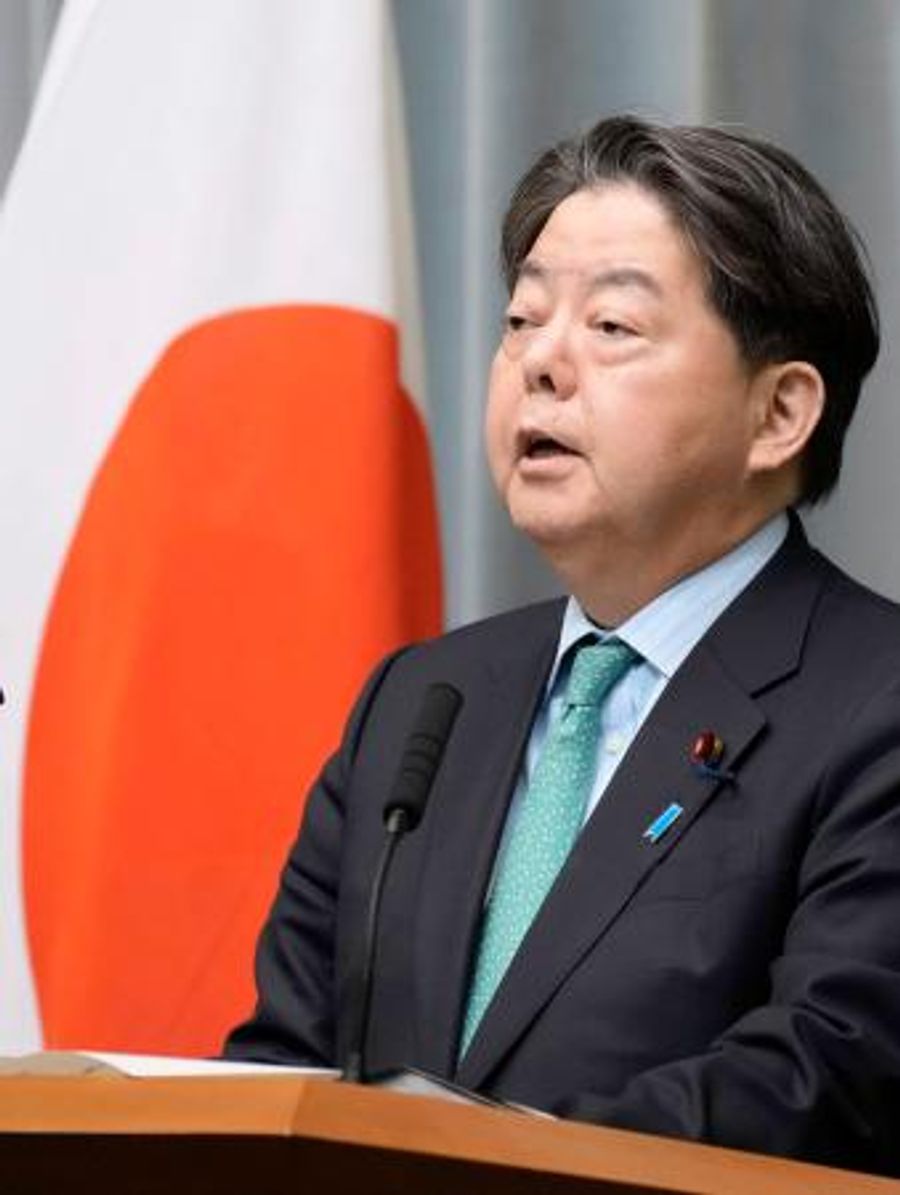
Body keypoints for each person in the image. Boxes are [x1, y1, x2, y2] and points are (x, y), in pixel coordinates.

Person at [225, 115, 900, 1176]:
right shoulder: (423, 700)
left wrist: (476, 1161)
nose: (540, 362)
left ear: (778, 413)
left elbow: (832, 1075)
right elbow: (286, 1070)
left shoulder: (874, 703)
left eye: (612, 325)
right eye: (522, 319)